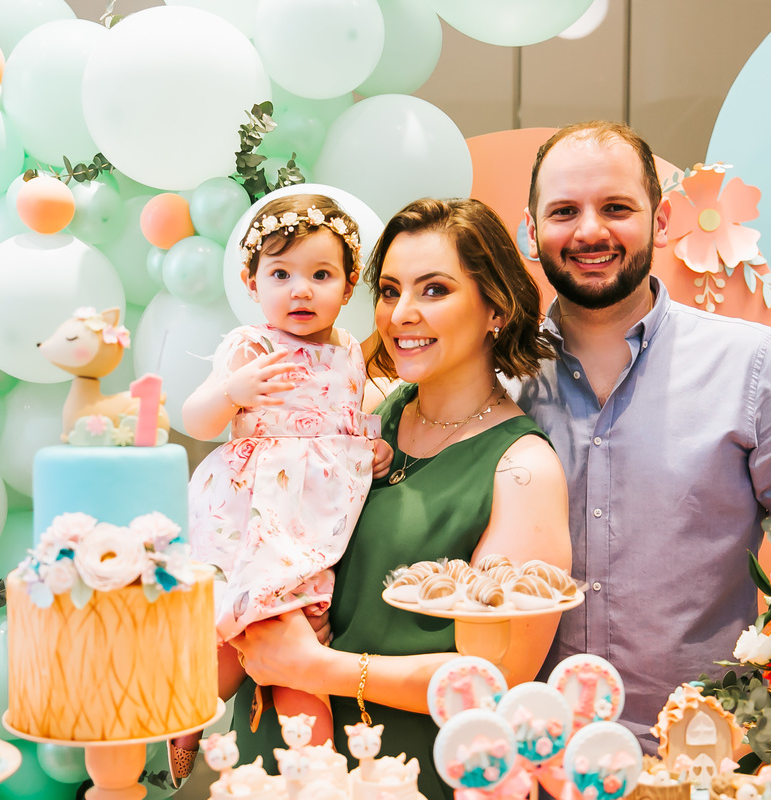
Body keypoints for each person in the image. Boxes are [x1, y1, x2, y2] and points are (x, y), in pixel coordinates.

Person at [228, 197, 572, 800]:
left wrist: (315, 667)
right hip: (274, 758)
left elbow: (495, 678)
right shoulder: (362, 418)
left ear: (496, 307)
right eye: (389, 291)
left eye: (434, 290)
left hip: (398, 772)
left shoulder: (522, 468)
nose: (401, 314)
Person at [516, 121, 771, 748]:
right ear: (532, 230)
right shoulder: (497, 378)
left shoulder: (752, 366)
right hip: (527, 760)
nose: (589, 231)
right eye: (564, 211)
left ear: (661, 220)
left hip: (706, 756)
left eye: (616, 208)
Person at [183, 193, 392, 746]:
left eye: (321, 275)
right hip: (257, 505)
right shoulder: (252, 346)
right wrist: (232, 392)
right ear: (252, 284)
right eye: (281, 274)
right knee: (255, 611)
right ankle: (188, 715)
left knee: (300, 624)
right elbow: (196, 419)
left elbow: (348, 419)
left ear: (348, 287)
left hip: (317, 514)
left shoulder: (350, 350)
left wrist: (371, 448)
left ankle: (310, 758)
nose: (301, 289)